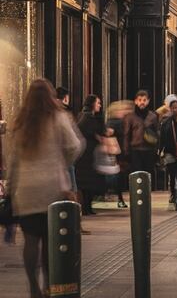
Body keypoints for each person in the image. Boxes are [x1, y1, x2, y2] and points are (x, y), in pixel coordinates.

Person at [8, 80, 83, 298]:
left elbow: (12, 160)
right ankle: (51, 285)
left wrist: (11, 189)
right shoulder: (58, 118)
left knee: (31, 240)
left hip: (26, 191)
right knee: (53, 242)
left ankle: (33, 285)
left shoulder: (21, 122)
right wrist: (61, 161)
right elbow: (74, 146)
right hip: (53, 191)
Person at [75, 95, 108, 216]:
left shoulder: (89, 116)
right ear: (92, 104)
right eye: (98, 103)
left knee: (88, 183)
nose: (100, 105)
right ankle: (85, 207)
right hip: (86, 155)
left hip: (89, 154)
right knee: (85, 183)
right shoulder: (86, 117)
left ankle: (88, 207)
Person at [122, 90, 158, 180]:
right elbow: (126, 135)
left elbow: (157, 133)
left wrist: (157, 150)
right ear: (136, 101)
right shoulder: (130, 117)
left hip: (149, 149)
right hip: (135, 150)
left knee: (148, 174)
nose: (142, 102)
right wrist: (126, 152)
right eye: (140, 100)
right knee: (137, 175)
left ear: (148, 101)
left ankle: (147, 193)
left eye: (144, 100)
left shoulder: (153, 116)